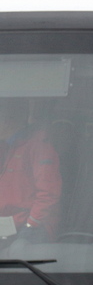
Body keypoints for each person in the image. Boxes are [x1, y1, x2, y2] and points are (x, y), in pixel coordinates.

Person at [0, 99, 61, 243]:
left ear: (7, 121)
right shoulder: (7, 146)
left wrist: (30, 225)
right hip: (8, 224)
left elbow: (49, 194)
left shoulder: (39, 146)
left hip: (30, 227)